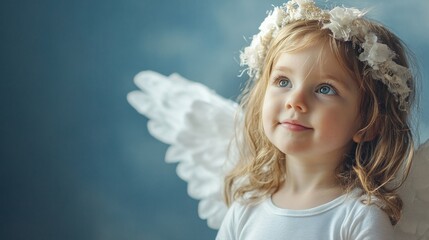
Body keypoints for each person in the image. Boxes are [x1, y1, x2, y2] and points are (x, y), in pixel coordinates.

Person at [216, 0, 417, 239]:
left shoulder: (358, 217)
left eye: (325, 89)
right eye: (283, 82)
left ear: (368, 123)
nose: (295, 100)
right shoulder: (245, 210)